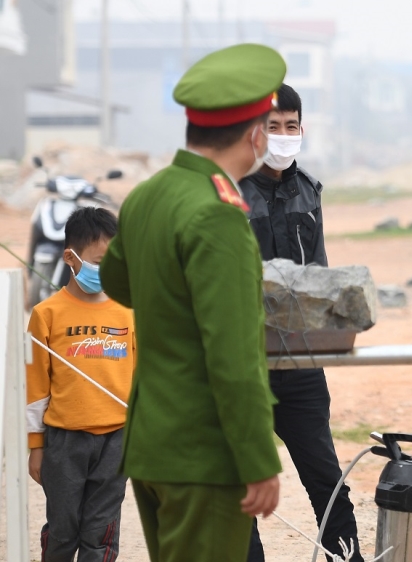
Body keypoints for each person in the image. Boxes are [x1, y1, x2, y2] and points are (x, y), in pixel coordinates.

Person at [99, 43, 285, 562]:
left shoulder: (148, 194)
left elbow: (118, 283)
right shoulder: (217, 212)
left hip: (154, 442)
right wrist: (257, 458)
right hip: (204, 453)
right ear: (254, 133)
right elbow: (232, 356)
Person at [240, 83, 362, 562]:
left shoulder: (309, 191)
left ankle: (346, 557)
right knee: (239, 491)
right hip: (244, 367)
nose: (284, 136)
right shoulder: (229, 192)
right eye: (274, 127)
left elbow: (320, 274)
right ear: (254, 132)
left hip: (300, 366)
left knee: (327, 481)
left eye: (291, 127)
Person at [26, 207, 135, 562]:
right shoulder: (47, 314)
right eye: (99, 260)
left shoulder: (130, 312)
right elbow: (36, 387)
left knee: (101, 531)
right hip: (63, 443)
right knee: (63, 529)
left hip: (116, 441)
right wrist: (36, 446)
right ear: (71, 258)